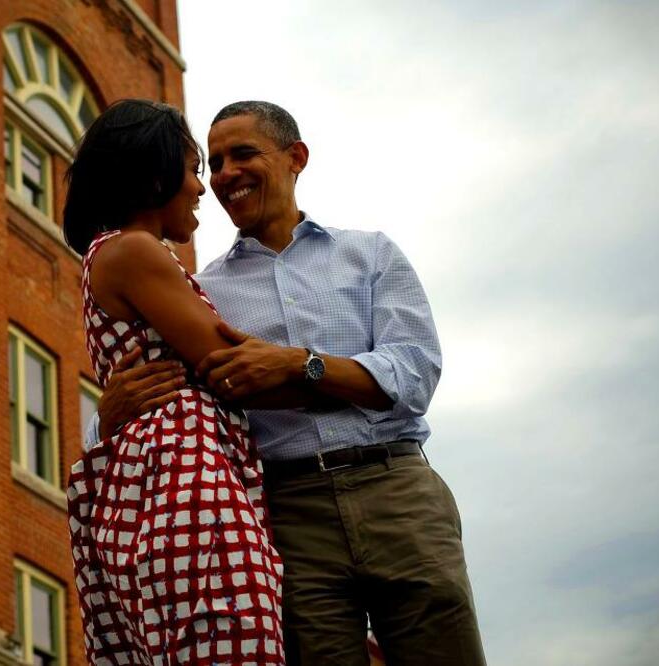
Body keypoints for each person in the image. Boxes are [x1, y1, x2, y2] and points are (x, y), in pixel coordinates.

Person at [93, 101, 487, 665]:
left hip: (396, 488)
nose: (225, 174)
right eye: (215, 161)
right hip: (285, 513)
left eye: (243, 154)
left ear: (295, 157)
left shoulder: (369, 254)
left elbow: (414, 371)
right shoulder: (202, 291)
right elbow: (159, 395)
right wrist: (105, 416)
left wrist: (303, 364)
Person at [63, 99, 298, 665]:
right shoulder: (136, 250)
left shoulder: (115, 256)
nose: (201, 188)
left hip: (154, 484)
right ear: (153, 175)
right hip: (187, 485)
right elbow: (227, 364)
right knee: (233, 639)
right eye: (194, 169)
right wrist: (338, 378)